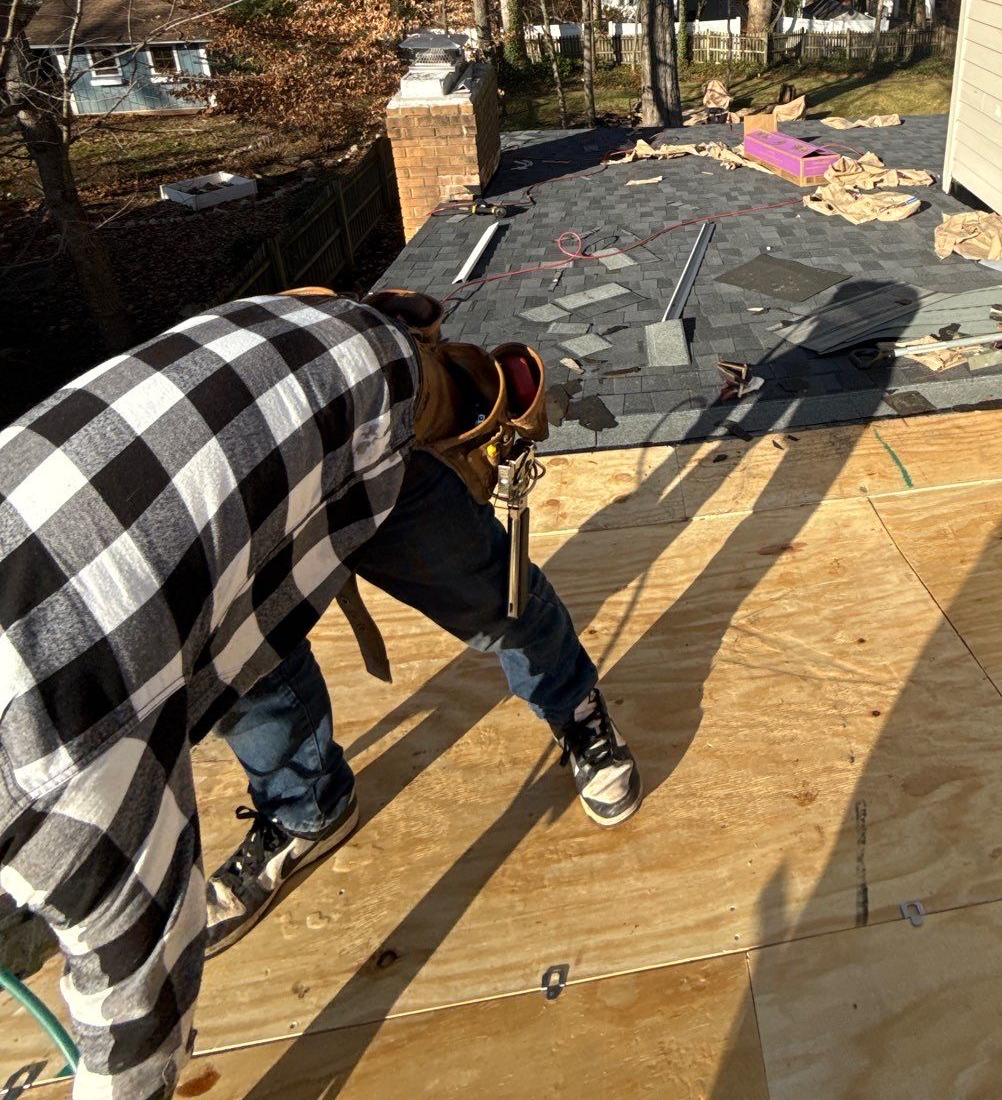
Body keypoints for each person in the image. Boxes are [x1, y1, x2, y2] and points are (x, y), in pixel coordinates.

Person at [0, 291, 639, 1100]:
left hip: (359, 399)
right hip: (245, 403)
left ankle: (575, 706)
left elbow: (138, 1014)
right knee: (228, 647)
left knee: (491, 604)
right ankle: (309, 807)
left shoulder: (51, 761)